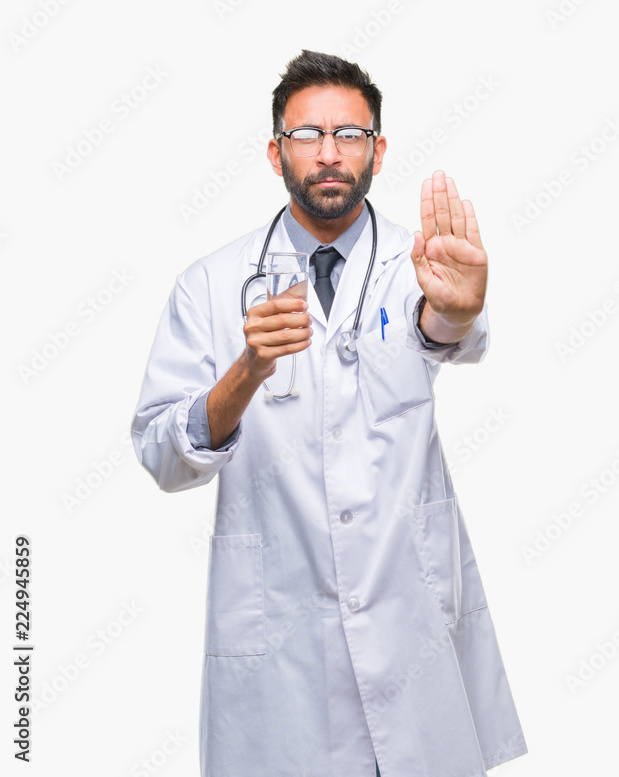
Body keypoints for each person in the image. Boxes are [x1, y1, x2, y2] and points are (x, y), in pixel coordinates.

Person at [131, 50, 527, 777]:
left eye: (349, 133)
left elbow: (440, 330)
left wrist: (459, 311)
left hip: (407, 616)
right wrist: (246, 371)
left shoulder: (419, 262)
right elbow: (163, 454)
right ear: (275, 151)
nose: (329, 153)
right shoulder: (211, 284)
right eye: (308, 134)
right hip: (278, 639)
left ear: (378, 148)